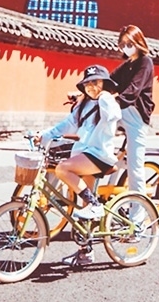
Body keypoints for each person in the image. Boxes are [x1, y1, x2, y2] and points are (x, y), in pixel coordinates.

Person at [37, 64, 121, 267]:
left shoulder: (106, 101)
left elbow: (114, 115)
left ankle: (95, 205)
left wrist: (104, 96)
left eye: (96, 82)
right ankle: (86, 253)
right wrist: (45, 135)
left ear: (104, 83)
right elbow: (66, 124)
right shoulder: (84, 105)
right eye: (87, 83)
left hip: (99, 155)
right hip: (84, 154)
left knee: (63, 168)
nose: (91, 87)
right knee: (82, 208)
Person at [110, 25, 155, 200]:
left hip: (137, 116)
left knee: (135, 166)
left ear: (138, 42)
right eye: (122, 45)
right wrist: (87, 90)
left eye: (129, 44)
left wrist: (112, 101)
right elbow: (109, 81)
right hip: (122, 110)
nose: (125, 48)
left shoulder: (145, 62)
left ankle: (139, 213)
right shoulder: (127, 65)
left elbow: (133, 90)